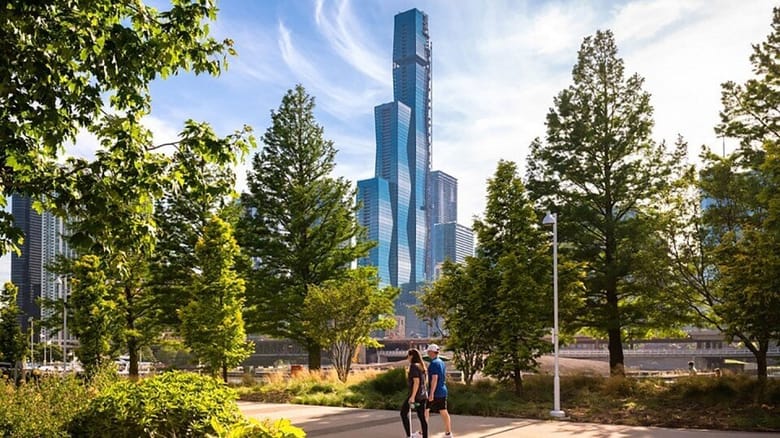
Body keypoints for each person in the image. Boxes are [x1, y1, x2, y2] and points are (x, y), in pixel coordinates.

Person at [426, 344, 452, 437]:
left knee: (425, 410)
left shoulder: (434, 363)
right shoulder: (441, 362)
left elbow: (434, 378)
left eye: (428, 351)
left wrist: (431, 393)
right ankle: (448, 433)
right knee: (443, 411)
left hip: (435, 391)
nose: (428, 353)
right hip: (443, 390)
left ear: (432, 352)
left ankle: (422, 432)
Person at [401, 349, 428, 438]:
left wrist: (412, 397)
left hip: (416, 395)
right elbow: (424, 382)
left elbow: (416, 382)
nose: (408, 358)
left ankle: (409, 435)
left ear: (412, 356)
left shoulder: (413, 366)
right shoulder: (422, 366)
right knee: (422, 418)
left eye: (408, 355)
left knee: (403, 413)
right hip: (423, 395)